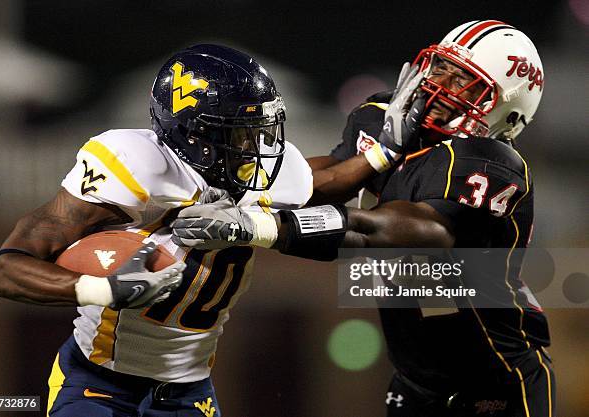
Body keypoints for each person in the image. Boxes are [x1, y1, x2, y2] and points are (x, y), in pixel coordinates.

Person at [172, 21, 554, 417]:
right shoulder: (385, 120)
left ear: (508, 109)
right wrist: (245, 190)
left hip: (493, 377)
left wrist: (264, 227)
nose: (439, 85)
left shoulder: (491, 164)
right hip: (414, 378)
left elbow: (399, 231)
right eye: (441, 68)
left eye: (465, 82)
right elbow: (326, 179)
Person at [0, 44, 312, 417]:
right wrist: (103, 289)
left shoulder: (279, 175)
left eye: (259, 132)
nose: (254, 147)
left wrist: (378, 154)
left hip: (190, 392)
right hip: (99, 382)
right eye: (239, 133)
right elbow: (6, 270)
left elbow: (342, 208)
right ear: (192, 132)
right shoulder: (138, 164)